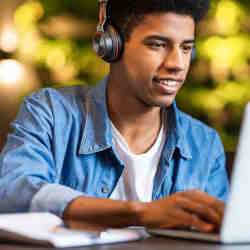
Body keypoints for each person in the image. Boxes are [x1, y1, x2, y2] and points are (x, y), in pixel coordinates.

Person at [0, 0, 229, 233]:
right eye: (158, 45)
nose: (177, 64)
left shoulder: (205, 144)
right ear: (111, 45)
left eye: (186, 48)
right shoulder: (50, 112)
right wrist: (141, 213)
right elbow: (12, 192)